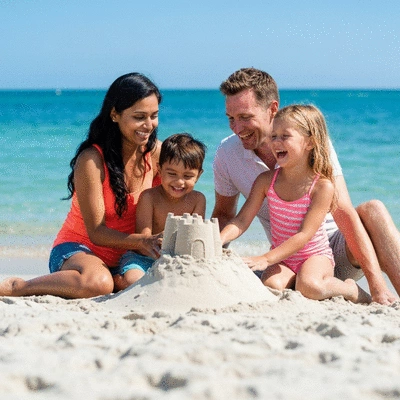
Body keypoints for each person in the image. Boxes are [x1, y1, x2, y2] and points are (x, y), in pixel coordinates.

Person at [212, 67, 400, 305]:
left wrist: (377, 287)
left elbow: (343, 213)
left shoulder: (311, 145)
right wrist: (207, 245)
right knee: (274, 284)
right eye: (231, 118)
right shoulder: (227, 154)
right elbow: (226, 215)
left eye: (246, 117)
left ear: (272, 109)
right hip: (284, 256)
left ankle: (382, 292)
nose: (237, 128)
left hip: (332, 251)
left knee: (373, 209)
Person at [0, 72, 164, 298]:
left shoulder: (156, 154)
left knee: (139, 284)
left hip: (129, 257)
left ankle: (116, 278)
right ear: (115, 114)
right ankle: (18, 287)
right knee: (99, 283)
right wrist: (143, 241)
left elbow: (171, 199)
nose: (149, 125)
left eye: (154, 116)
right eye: (139, 117)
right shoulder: (92, 160)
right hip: (78, 251)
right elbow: (96, 232)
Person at [220, 104, 370, 303]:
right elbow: (241, 220)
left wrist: (265, 258)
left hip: (314, 255)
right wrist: (217, 240)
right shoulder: (266, 181)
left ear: (309, 142)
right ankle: (294, 281)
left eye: (285, 136)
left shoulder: (322, 187)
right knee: (271, 285)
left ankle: (350, 289)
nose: (276, 142)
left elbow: (304, 235)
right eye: (274, 136)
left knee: (310, 287)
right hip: (283, 258)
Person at [112, 133, 207, 290]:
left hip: (177, 259)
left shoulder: (198, 200)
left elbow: (194, 235)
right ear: (160, 169)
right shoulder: (149, 197)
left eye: (188, 176)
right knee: (135, 282)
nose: (179, 181)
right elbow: (144, 241)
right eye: (172, 174)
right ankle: (119, 280)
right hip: (143, 258)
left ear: (198, 176)